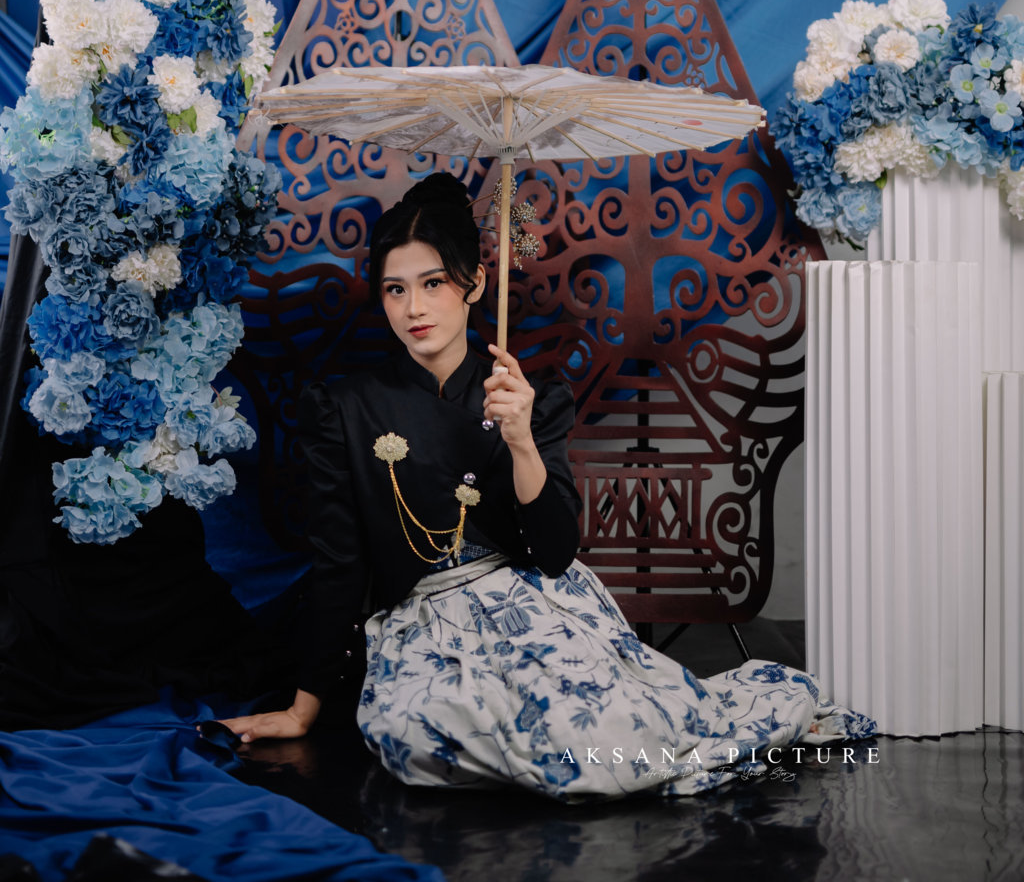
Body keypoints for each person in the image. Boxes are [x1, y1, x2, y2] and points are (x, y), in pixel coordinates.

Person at [218, 174, 874, 800]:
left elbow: (555, 553)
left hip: (533, 604)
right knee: (410, 736)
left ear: (475, 284)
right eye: (395, 289)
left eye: (433, 282)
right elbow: (340, 563)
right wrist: (303, 709)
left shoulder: (529, 400)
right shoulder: (345, 407)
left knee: (585, 739)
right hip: (424, 624)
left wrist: (521, 440)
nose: (413, 308)